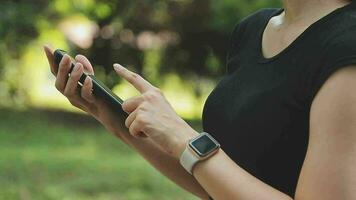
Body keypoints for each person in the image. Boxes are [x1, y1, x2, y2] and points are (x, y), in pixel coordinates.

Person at [44, 0, 356, 199]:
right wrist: (111, 115)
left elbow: (199, 156)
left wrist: (187, 140)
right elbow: (212, 180)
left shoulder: (346, 51)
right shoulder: (253, 30)